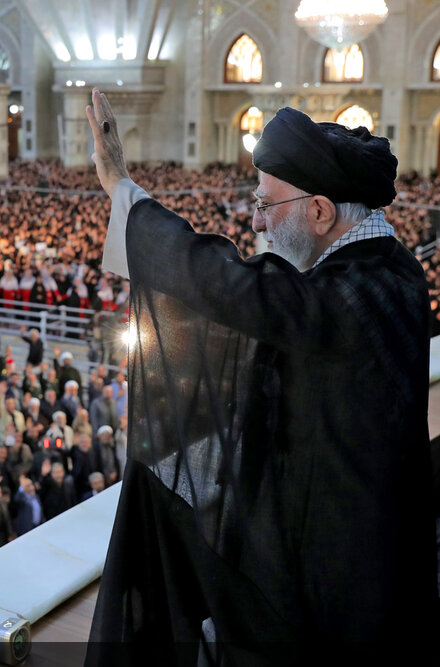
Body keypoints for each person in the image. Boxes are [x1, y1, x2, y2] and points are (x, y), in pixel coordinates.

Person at [84, 90, 437, 661]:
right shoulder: (395, 267)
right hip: (384, 549)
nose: (255, 219)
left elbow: (233, 286)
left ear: (320, 211)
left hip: (346, 581)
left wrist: (122, 188)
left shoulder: (338, 300)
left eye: (266, 203)